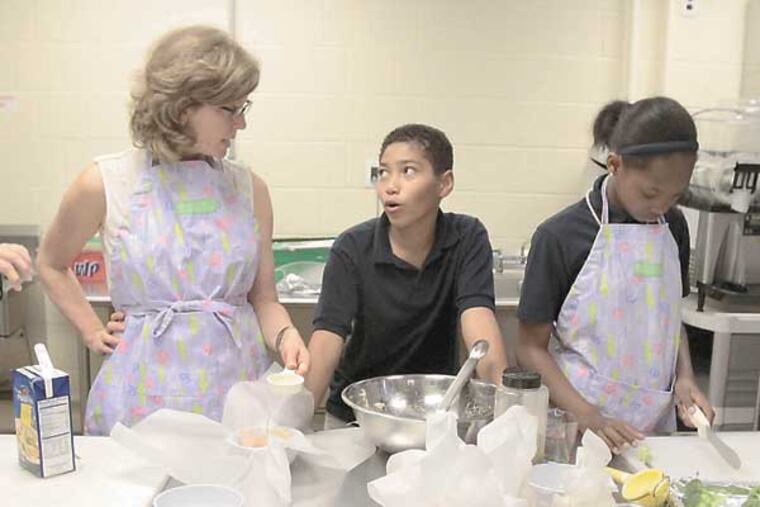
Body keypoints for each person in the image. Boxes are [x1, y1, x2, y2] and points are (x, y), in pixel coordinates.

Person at [37, 26, 309, 435]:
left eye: (243, 109)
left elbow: (264, 299)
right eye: (228, 110)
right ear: (182, 107)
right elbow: (51, 262)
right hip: (141, 398)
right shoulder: (107, 182)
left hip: (234, 394)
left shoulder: (250, 189)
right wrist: (92, 330)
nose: (240, 125)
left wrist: (286, 334)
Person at [517, 97, 714, 453]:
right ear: (614, 165)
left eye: (675, 196)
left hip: (656, 431)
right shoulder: (560, 236)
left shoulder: (674, 227)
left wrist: (686, 377)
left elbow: (669, 317)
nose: (661, 207)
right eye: (651, 192)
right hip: (579, 429)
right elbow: (530, 349)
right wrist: (588, 415)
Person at [305, 124, 509, 427]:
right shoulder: (352, 248)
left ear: (444, 184)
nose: (390, 185)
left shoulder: (467, 237)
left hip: (435, 415)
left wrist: (508, 419)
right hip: (356, 416)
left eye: (408, 171)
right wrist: (292, 426)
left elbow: (481, 332)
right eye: (383, 172)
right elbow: (326, 343)